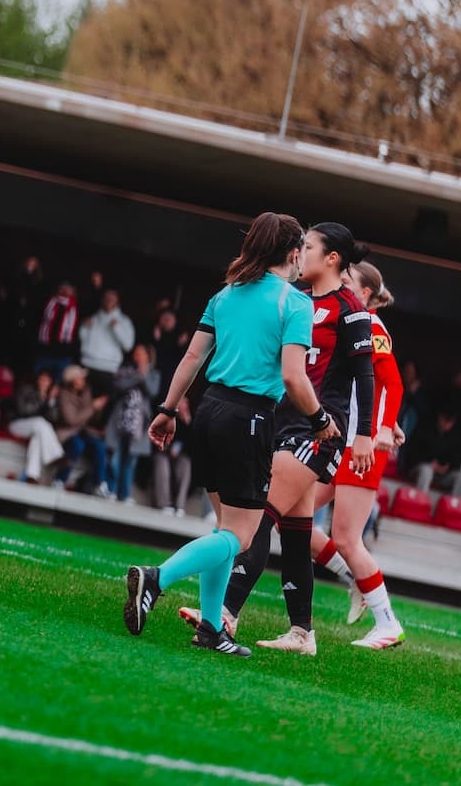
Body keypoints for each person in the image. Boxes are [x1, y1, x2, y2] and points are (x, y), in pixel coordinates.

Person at [123, 211, 332, 660]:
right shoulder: (295, 303)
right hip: (250, 417)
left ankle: (213, 628)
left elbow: (192, 357)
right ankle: (156, 578)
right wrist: (319, 420)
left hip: (209, 410)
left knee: (225, 530)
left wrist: (166, 410)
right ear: (294, 253)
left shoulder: (227, 294)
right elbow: (295, 377)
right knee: (240, 537)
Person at [210, 221, 377, 656]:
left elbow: (365, 375)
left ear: (332, 258)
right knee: (297, 531)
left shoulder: (351, 309)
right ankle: (302, 633)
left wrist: (363, 436)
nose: (299, 253)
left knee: (259, 514)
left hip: (320, 430)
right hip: (281, 424)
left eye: (307, 246)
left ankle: (224, 614)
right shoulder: (298, 301)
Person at [307, 260, 407, 648]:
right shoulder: (351, 324)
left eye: (347, 281)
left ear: (364, 293)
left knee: (347, 537)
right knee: (288, 517)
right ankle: (354, 580)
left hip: (360, 445)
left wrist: (383, 428)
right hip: (342, 441)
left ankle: (387, 623)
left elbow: (392, 383)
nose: (340, 285)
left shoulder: (372, 326)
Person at [102, 341, 160, 502]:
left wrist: (143, 375)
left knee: (131, 460)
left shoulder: (154, 374)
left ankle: (125, 494)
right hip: (120, 420)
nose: (137, 355)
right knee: (116, 456)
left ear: (148, 355)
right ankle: (111, 490)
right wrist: (139, 376)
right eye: (135, 352)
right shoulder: (126, 370)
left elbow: (152, 391)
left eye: (140, 352)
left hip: (139, 424)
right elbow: (120, 386)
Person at [52, 366, 106, 490]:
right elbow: (72, 420)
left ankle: (99, 484)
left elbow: (90, 418)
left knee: (99, 446)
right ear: (72, 380)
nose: (83, 380)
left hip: (83, 431)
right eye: (80, 378)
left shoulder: (87, 392)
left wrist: (98, 409)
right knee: (77, 445)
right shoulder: (64, 395)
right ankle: (59, 480)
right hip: (67, 434)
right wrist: (92, 407)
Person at [8, 370, 66, 483]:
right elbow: (24, 411)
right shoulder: (26, 390)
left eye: (46, 380)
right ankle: (56, 455)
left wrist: (51, 400)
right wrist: (42, 399)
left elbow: (53, 418)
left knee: (38, 437)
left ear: (50, 382)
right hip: (17, 424)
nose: (43, 382)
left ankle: (32, 475)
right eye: (41, 379)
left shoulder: (49, 397)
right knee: (40, 422)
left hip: (37, 429)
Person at [78, 288, 134, 399]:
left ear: (117, 301)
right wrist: (83, 328)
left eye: (112, 298)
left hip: (109, 370)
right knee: (85, 403)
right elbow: (82, 340)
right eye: (106, 298)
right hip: (88, 366)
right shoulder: (93, 318)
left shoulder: (124, 321)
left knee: (105, 407)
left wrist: (117, 328)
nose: (109, 300)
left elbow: (128, 346)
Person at [409, 410, 461, 503]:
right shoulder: (425, 429)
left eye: (450, 421)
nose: (447, 424)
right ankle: (420, 503)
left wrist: (447, 467)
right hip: (422, 468)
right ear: (440, 417)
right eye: (446, 420)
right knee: (426, 470)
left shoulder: (455, 436)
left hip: (443, 474)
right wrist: (430, 463)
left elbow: (458, 460)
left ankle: (453, 507)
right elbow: (413, 453)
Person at [150, 395, 194, 515]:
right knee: (162, 463)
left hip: (179, 456)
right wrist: (168, 450)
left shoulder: (187, 423)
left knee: (186, 464)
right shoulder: (165, 415)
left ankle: (179, 506)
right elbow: (157, 440)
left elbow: (193, 447)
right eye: (182, 403)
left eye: (186, 404)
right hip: (163, 453)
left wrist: (188, 423)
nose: (184, 406)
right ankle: (164, 503)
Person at [35, 280, 79, 380]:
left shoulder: (77, 307)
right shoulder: (48, 302)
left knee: (59, 383)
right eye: (62, 287)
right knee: (39, 380)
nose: (65, 290)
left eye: (69, 288)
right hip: (44, 349)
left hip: (64, 353)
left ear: (74, 291)